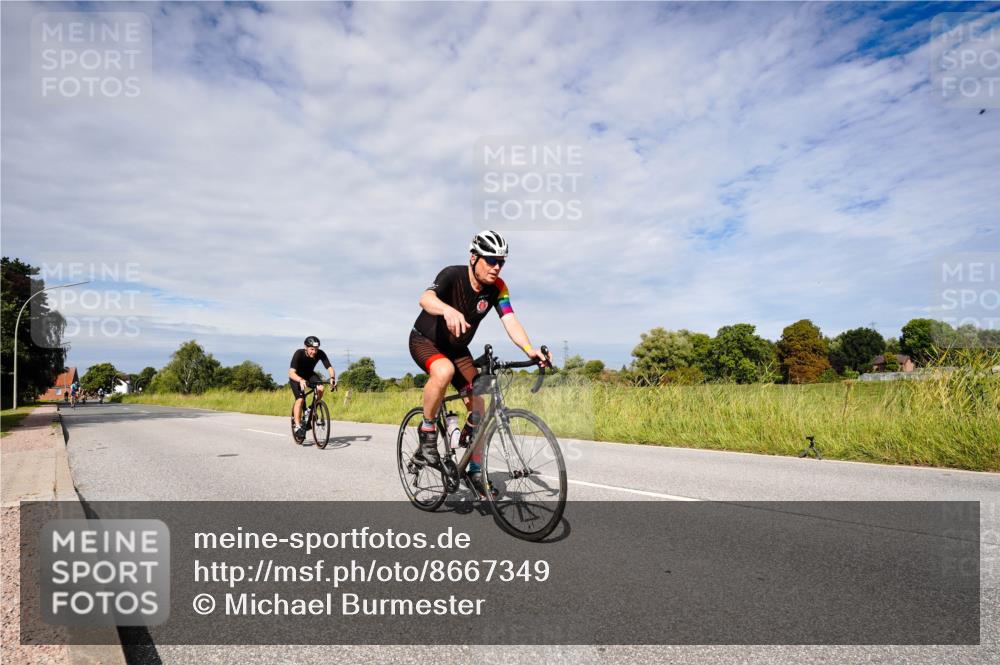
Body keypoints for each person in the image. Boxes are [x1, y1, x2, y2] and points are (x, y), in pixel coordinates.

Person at [408, 230, 551, 497]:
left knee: (479, 405)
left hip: (458, 348)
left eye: (501, 262)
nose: (497, 267)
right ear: (474, 258)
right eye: (491, 260)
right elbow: (425, 299)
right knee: (444, 370)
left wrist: (530, 349)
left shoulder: (498, 288)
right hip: (425, 340)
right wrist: (447, 309)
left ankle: (474, 471)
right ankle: (427, 430)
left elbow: (510, 320)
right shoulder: (452, 275)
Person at [289, 336, 336, 437]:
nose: (314, 352)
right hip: (296, 377)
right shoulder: (299, 353)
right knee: (300, 399)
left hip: (309, 375)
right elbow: (291, 373)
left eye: (316, 349)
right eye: (311, 349)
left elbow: (329, 367)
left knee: (321, 388)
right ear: (305, 347)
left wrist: (332, 378)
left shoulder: (320, 353)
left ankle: (310, 409)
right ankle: (297, 426)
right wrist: (300, 380)